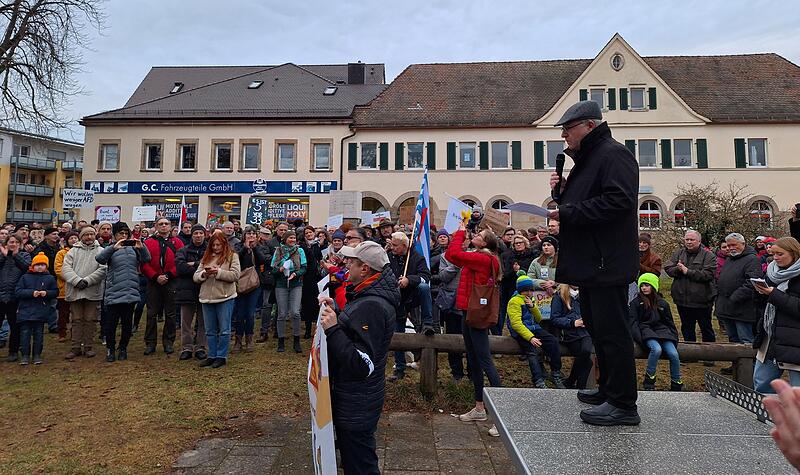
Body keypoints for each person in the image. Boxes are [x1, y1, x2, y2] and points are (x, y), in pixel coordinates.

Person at [549, 100, 640, 426]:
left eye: (567, 129)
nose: (564, 136)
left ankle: (623, 404)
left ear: (589, 125)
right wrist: (563, 195)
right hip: (592, 263)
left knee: (613, 334)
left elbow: (618, 201)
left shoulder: (613, 155)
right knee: (599, 332)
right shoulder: (589, 160)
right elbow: (588, 202)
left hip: (607, 263)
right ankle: (608, 390)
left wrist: (568, 211)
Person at [318, 241, 399, 475]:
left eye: (351, 262)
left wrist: (333, 328)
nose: (345, 265)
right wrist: (339, 312)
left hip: (357, 403)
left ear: (365, 269)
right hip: (357, 400)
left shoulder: (372, 304)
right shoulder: (368, 294)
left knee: (360, 466)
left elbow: (362, 364)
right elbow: (357, 332)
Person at [446, 223, 502, 437]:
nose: (475, 235)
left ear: (486, 242)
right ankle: (480, 408)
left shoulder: (483, 258)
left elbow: (453, 254)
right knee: (474, 359)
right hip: (469, 311)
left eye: (479, 234)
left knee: (485, 360)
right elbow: (456, 257)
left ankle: (500, 415)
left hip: (475, 314)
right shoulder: (481, 256)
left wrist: (460, 232)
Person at [95, 222, 151, 362]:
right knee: (111, 324)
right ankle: (110, 349)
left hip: (130, 290)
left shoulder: (134, 249)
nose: (124, 236)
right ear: (114, 235)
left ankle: (123, 348)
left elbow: (146, 259)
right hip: (114, 291)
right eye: (121, 233)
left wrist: (142, 248)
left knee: (127, 324)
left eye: (126, 233)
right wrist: (113, 248)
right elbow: (100, 259)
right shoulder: (110, 248)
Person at [752, 237, 800, 393]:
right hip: (770, 337)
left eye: (780, 254)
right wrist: (760, 292)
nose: (776, 258)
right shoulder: (772, 272)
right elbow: (763, 305)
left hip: (795, 341)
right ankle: (765, 415)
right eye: (773, 254)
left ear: (794, 254)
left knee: (797, 391)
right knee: (762, 384)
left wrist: (774, 294)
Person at [386, 231, 435, 381]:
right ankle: (399, 368)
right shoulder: (389, 256)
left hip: (413, 296)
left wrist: (409, 280)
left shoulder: (416, 258)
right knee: (398, 332)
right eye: (392, 244)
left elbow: (426, 276)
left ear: (404, 246)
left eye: (395, 245)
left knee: (424, 287)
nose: (392, 247)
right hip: (397, 298)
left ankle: (428, 323)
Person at [506, 275, 565, 388]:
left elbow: (538, 319)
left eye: (531, 290)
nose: (529, 293)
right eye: (526, 291)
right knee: (532, 351)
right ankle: (538, 380)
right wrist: (530, 337)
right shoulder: (514, 301)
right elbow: (516, 324)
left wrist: (533, 307)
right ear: (520, 291)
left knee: (552, 341)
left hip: (534, 327)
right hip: (521, 331)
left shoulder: (531, 299)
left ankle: (556, 372)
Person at [194, 232, 240, 368]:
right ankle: (212, 355)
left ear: (224, 244)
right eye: (213, 245)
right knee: (210, 330)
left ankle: (221, 356)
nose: (216, 247)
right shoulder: (206, 257)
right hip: (207, 297)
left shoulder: (232, 256)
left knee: (225, 329)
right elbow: (196, 276)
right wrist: (204, 274)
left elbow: (235, 275)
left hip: (225, 297)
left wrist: (218, 272)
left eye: (218, 244)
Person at [629, 273, 682, 391]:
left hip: (663, 332)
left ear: (653, 286)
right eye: (642, 285)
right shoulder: (636, 303)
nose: (644, 288)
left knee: (673, 354)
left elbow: (669, 322)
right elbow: (633, 323)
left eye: (647, 285)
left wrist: (674, 337)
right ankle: (649, 379)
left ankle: (676, 381)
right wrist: (640, 338)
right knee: (656, 349)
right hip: (646, 331)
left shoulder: (663, 303)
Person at [61, 226, 107, 359]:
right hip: (75, 290)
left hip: (92, 290)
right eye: (86, 234)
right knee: (76, 319)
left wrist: (87, 281)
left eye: (92, 234)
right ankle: (75, 347)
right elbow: (66, 269)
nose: (89, 237)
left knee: (90, 320)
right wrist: (76, 281)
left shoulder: (101, 251)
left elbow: (103, 269)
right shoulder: (72, 251)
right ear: (81, 236)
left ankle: (88, 346)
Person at [664, 230, 717, 343]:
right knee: (687, 328)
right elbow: (668, 268)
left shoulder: (708, 255)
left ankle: (709, 356)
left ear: (699, 241)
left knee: (706, 328)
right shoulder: (678, 253)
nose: (688, 242)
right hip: (682, 300)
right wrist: (678, 270)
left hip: (702, 301)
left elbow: (708, 275)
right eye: (687, 239)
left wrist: (688, 271)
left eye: (691, 240)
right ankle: (690, 356)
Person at [141, 217, 184, 355]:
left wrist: (168, 276)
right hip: (153, 281)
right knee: (152, 313)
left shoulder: (177, 242)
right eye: (161, 224)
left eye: (166, 224)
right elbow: (143, 263)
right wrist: (155, 276)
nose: (164, 226)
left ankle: (168, 342)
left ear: (170, 226)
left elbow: (180, 261)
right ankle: (150, 343)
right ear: (156, 226)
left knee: (170, 314)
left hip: (171, 281)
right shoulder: (148, 243)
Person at [715, 232, 763, 344]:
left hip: (742, 308)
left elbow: (752, 282)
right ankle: (737, 362)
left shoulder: (752, 260)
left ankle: (749, 362)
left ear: (743, 244)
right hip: (726, 307)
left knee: (745, 339)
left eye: (734, 245)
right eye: (728, 246)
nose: (730, 248)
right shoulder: (730, 259)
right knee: (732, 339)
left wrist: (735, 297)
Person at [15, 252, 58, 365]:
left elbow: (55, 292)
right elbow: (18, 291)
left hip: (41, 311)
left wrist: (46, 293)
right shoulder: (25, 277)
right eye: (37, 264)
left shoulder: (50, 278)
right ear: (32, 266)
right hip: (25, 311)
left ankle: (37, 355)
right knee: (25, 333)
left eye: (42, 265)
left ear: (46, 266)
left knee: (39, 334)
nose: (40, 267)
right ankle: (25, 355)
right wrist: (31, 293)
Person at [175, 224, 208, 360]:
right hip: (186, 289)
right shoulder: (183, 250)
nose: (198, 236)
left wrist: (193, 264)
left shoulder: (209, 250)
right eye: (196, 233)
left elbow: (211, 265)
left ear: (204, 235)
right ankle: (187, 347)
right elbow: (180, 267)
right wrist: (200, 267)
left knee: (203, 321)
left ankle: (201, 346)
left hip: (205, 289)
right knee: (186, 322)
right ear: (192, 235)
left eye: (200, 233)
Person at [550, 284, 593, 389]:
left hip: (585, 331)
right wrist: (572, 323)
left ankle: (570, 382)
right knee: (588, 363)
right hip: (569, 333)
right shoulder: (559, 296)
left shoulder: (584, 295)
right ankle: (579, 388)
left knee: (586, 351)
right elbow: (554, 318)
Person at [271, 230, 307, 353]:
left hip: (296, 284)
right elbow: (273, 269)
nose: (292, 240)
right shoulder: (278, 251)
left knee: (295, 312)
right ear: (285, 239)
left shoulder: (300, 250)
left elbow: (304, 268)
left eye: (294, 238)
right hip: (281, 284)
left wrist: (296, 274)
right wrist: (280, 269)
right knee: (281, 313)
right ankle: (281, 340)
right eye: (290, 238)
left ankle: (296, 340)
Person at [234, 225, 267, 352]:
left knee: (250, 313)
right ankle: (238, 340)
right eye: (249, 234)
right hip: (241, 283)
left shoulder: (259, 247)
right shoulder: (238, 246)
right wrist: (244, 249)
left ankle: (249, 339)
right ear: (244, 235)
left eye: (253, 234)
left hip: (254, 283)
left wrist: (254, 249)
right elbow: (236, 260)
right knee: (240, 313)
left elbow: (262, 261)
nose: (251, 236)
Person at [0, 234, 31, 362]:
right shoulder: (1, 256)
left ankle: (13, 351)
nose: (13, 244)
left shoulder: (24, 255)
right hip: (0, 295)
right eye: (10, 242)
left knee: (15, 326)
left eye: (16, 242)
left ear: (20, 244)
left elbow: (26, 268)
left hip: (16, 296)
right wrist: (5, 255)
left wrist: (15, 255)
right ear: (6, 244)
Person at [498, 234, 537, 336]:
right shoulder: (507, 255)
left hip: (525, 290)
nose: (518, 245)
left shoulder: (531, 255)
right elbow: (504, 273)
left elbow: (531, 272)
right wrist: (514, 270)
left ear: (525, 244)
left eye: (520, 243)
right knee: (505, 312)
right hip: (508, 287)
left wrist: (520, 270)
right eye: (516, 243)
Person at [299, 225, 323, 339]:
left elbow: (320, 257)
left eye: (310, 232)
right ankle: (308, 329)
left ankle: (318, 329)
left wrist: (317, 246)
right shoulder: (303, 246)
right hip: (307, 278)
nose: (309, 235)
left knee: (318, 303)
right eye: (306, 233)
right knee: (307, 304)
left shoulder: (319, 245)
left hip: (318, 277)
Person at [53, 232, 78, 342]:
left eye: (75, 238)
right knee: (63, 313)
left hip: (78, 287)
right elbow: (58, 269)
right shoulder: (61, 253)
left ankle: (75, 333)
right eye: (71, 238)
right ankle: (62, 333)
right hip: (64, 288)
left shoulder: (80, 252)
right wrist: (71, 278)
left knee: (76, 314)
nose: (73, 240)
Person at [256, 226, 277, 343]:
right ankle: (264, 331)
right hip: (268, 278)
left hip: (280, 279)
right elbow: (265, 259)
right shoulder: (268, 244)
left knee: (280, 306)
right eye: (281, 230)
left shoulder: (286, 243)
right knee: (267, 305)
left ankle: (277, 329)